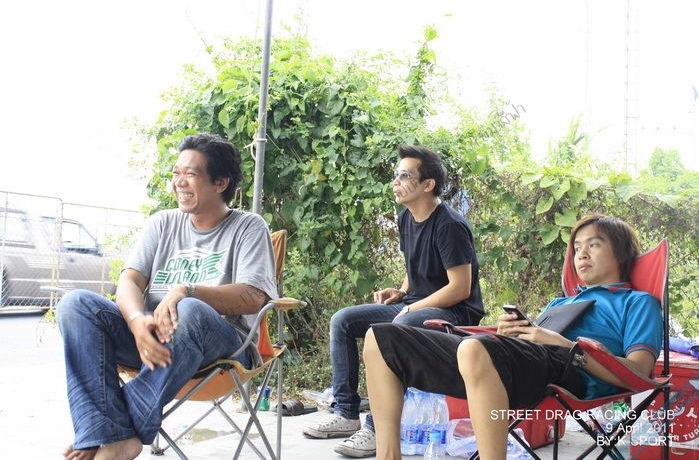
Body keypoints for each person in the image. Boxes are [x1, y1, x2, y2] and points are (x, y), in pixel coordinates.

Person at [363, 214, 663, 459]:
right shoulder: (561, 303)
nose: (581, 254)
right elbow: (525, 347)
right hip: (507, 364)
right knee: (380, 338)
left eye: (594, 245)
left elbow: (638, 374)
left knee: (475, 348)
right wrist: (510, 333)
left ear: (621, 254)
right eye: (577, 248)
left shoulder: (638, 302)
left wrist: (564, 345)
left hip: (570, 375)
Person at [57, 133, 278, 460]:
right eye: (176, 173)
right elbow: (130, 280)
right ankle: (110, 435)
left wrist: (186, 290)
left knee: (190, 308)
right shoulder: (162, 223)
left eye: (190, 174)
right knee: (75, 305)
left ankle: (106, 431)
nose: (179, 182)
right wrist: (137, 322)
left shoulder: (248, 227)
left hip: (221, 348)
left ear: (220, 183)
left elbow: (253, 297)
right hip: (151, 342)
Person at [303, 144, 484, 457]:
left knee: (396, 329)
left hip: (455, 313)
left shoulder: (450, 226)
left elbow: (460, 288)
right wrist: (401, 291)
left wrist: (411, 307)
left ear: (428, 184)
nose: (395, 182)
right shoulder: (406, 218)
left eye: (405, 176)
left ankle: (376, 429)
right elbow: (415, 267)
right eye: (396, 175)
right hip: (415, 305)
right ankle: (345, 413)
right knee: (343, 321)